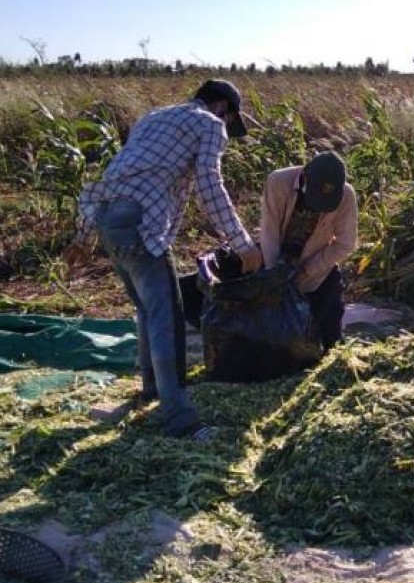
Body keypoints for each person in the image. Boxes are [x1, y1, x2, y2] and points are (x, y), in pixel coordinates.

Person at [64, 79, 263, 442]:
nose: (228, 126)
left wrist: (83, 236)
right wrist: (243, 244)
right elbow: (209, 185)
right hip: (142, 223)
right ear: (222, 108)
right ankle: (181, 423)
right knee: (167, 317)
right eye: (231, 118)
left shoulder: (154, 118)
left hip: (108, 218)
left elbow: (117, 174)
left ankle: (153, 392)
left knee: (147, 310)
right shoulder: (210, 124)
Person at [259, 151, 358, 351]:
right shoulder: (278, 181)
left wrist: (308, 270)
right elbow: (268, 232)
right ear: (304, 175)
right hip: (276, 264)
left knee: (327, 341)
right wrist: (275, 277)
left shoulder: (346, 196)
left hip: (317, 273)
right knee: (269, 336)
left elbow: (345, 242)